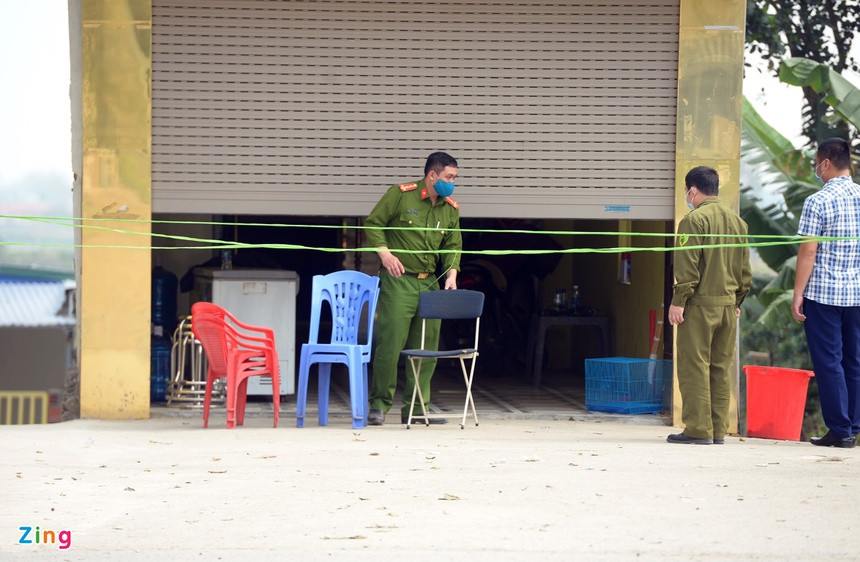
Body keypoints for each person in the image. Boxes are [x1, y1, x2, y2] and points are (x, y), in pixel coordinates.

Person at [365, 152, 462, 425]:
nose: (452, 183)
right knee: (390, 344)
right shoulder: (400, 194)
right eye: (448, 177)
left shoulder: (450, 208)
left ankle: (417, 409)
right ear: (432, 175)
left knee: (426, 348)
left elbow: (454, 245)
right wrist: (385, 255)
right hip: (400, 280)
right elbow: (374, 224)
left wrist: (451, 274)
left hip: (430, 282)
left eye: (454, 178)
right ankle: (379, 406)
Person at [667, 166, 751, 445]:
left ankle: (697, 430)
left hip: (700, 305)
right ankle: (718, 429)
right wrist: (737, 301)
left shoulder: (693, 221)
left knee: (694, 366)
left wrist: (678, 302)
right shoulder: (738, 223)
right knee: (719, 368)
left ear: (692, 190)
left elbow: (688, 268)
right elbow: (744, 270)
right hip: (728, 306)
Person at [791, 137, 860, 449]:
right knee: (854, 361)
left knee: (829, 362)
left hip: (823, 294)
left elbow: (808, 252)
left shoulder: (817, 201)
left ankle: (840, 429)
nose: (815, 169)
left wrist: (797, 294)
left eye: (816, 163)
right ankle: (853, 426)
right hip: (857, 295)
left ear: (826, 163)